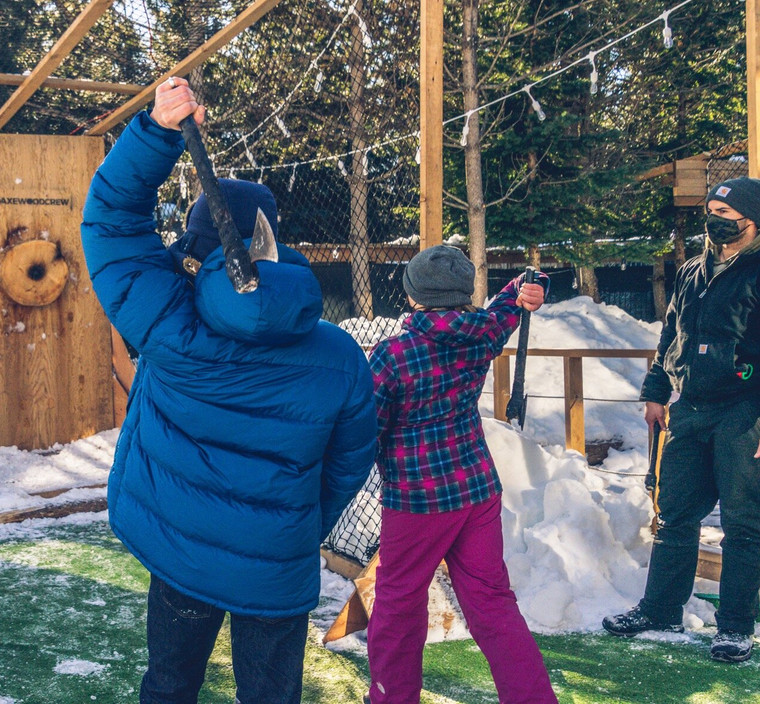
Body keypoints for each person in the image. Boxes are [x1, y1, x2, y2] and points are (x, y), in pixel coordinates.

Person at [80, 77, 377, 704]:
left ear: (197, 244)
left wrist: (157, 133)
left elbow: (111, 221)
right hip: (277, 563)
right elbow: (349, 463)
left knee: (169, 684)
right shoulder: (338, 353)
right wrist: (292, 523)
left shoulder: (167, 322)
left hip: (181, 550)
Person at [366, 245, 558, 704]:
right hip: (475, 489)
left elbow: (367, 429)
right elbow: (509, 307)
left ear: (412, 295)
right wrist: (531, 284)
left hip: (416, 499)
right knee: (492, 602)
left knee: (397, 604)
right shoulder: (483, 333)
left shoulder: (394, 354)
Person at [603, 176, 760, 663]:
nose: (713, 223)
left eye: (724, 215)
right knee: (674, 516)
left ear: (751, 222)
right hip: (689, 409)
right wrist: (656, 391)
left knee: (744, 523)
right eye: (710, 211)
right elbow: (670, 333)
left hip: (744, 410)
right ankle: (660, 610)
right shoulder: (693, 270)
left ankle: (735, 627)